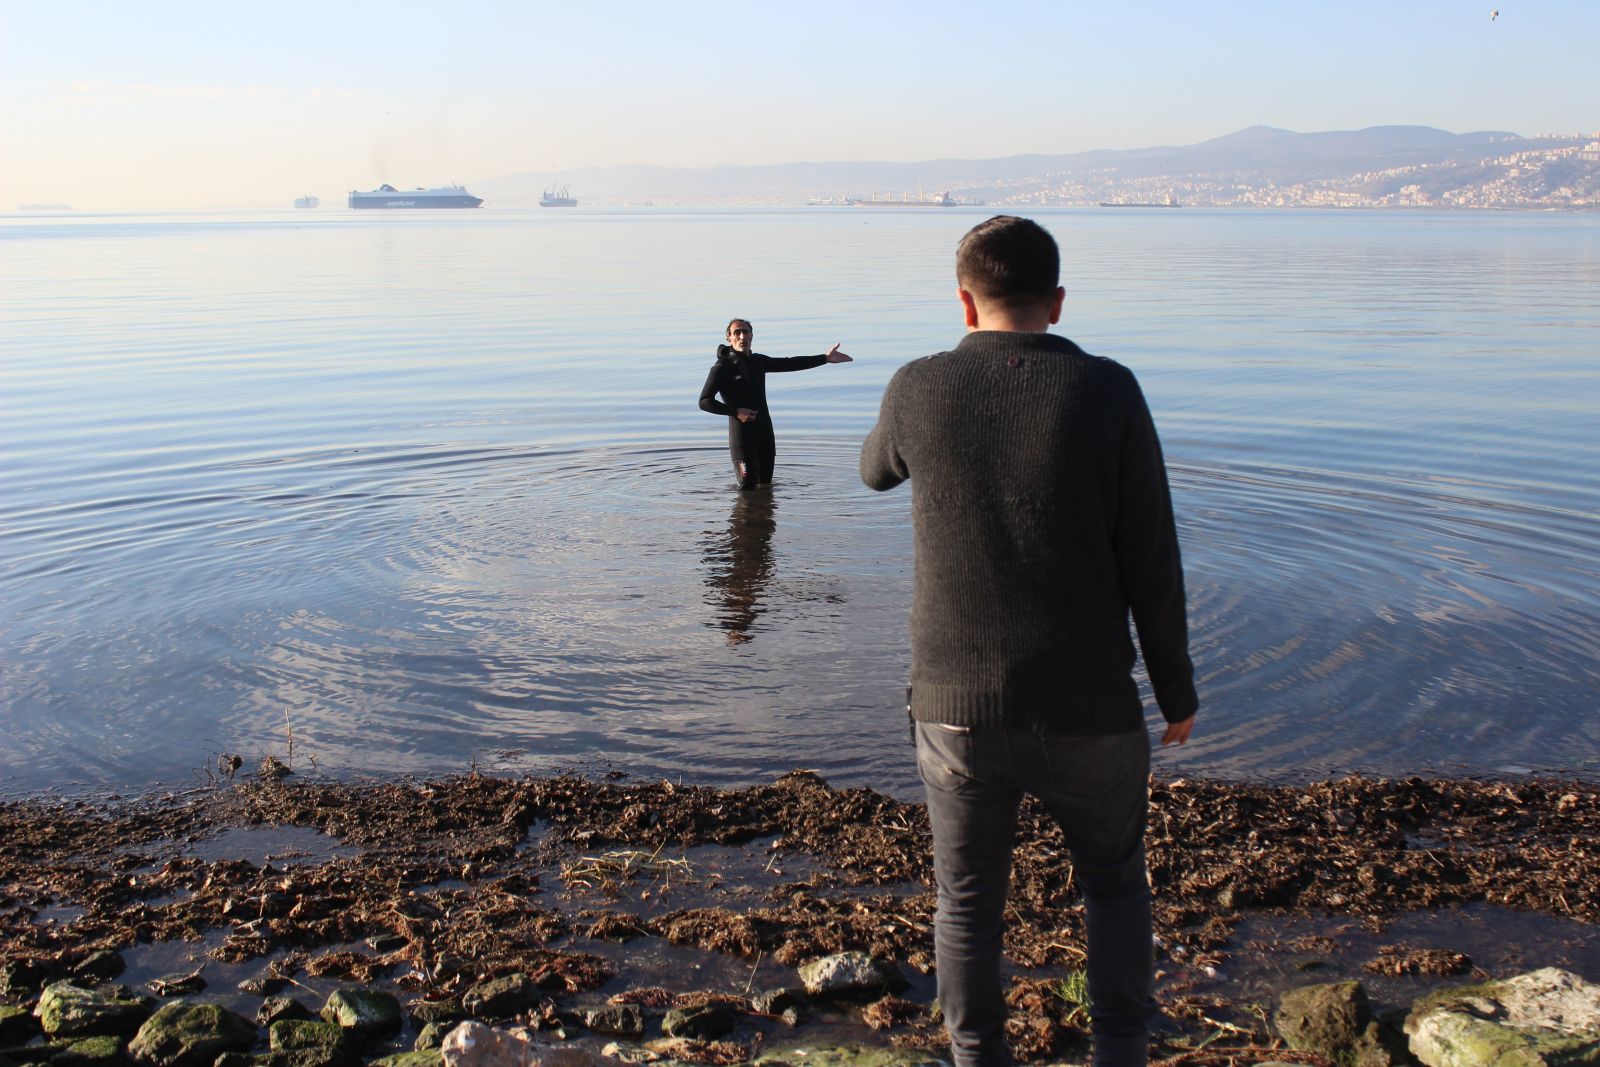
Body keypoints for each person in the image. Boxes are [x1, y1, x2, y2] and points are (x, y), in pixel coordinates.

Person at [859, 216, 1198, 1067]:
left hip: (955, 708)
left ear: (965, 304)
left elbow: (874, 469)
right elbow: (1150, 553)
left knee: (967, 901)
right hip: (1092, 707)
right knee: (1116, 886)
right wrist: (1176, 690)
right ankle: (1120, 1051)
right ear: (1057, 301)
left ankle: (978, 1055)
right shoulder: (1109, 389)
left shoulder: (918, 385)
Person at [698, 319, 852, 490]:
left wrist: (825, 358)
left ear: (752, 335)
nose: (742, 336)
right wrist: (735, 411)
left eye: (746, 332)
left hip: (765, 433)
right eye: (737, 332)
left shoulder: (758, 361)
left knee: (766, 487)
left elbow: (789, 363)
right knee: (747, 490)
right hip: (742, 438)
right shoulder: (721, 368)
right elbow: (704, 401)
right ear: (729, 338)